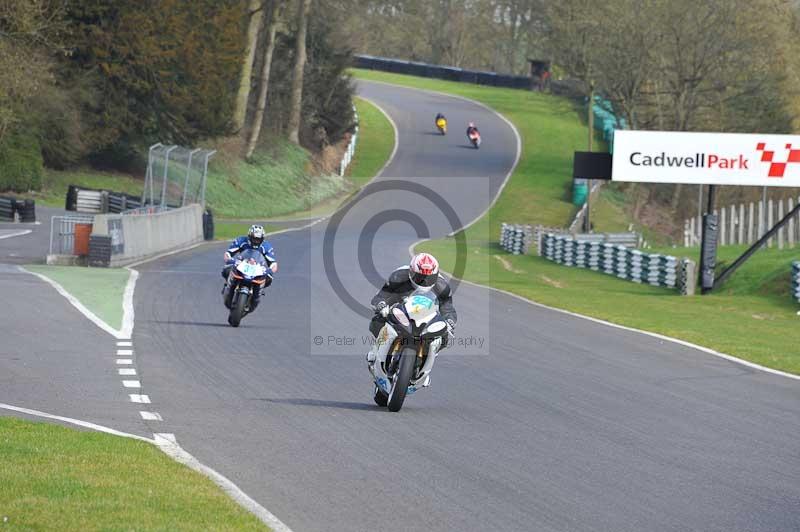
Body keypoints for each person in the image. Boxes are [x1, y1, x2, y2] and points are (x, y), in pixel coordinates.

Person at [367, 253, 456, 363]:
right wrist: (381, 305)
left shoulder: (443, 287)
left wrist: (450, 321)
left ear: (436, 275)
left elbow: (448, 308)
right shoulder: (398, 276)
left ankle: (429, 357)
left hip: (427, 315)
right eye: (420, 277)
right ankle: (376, 350)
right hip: (399, 308)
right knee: (378, 321)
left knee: (444, 335)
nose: (425, 281)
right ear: (411, 272)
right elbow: (381, 296)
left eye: (429, 278)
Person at [221, 224, 278, 310]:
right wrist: (230, 260)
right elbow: (227, 253)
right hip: (241, 265)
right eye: (254, 239)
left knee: (269, 278)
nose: (255, 241)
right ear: (249, 236)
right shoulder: (241, 241)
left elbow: (273, 263)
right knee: (226, 269)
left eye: (258, 239)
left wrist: (270, 270)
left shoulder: (266, 247)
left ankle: (257, 294)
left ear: (262, 239)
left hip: (257, 269)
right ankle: (228, 285)